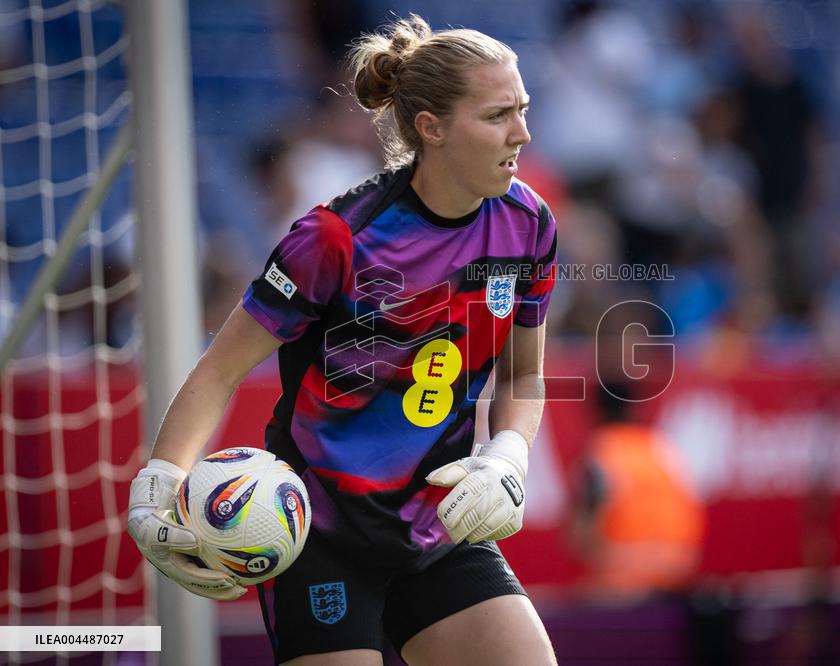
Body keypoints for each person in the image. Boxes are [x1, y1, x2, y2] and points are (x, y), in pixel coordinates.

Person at [126, 15, 558, 666]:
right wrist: (158, 485)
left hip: (437, 525)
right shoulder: (334, 237)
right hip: (314, 535)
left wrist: (507, 458)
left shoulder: (529, 224)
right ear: (431, 129)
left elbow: (524, 377)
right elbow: (219, 370)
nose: (522, 133)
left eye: (522, 111)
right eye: (498, 115)